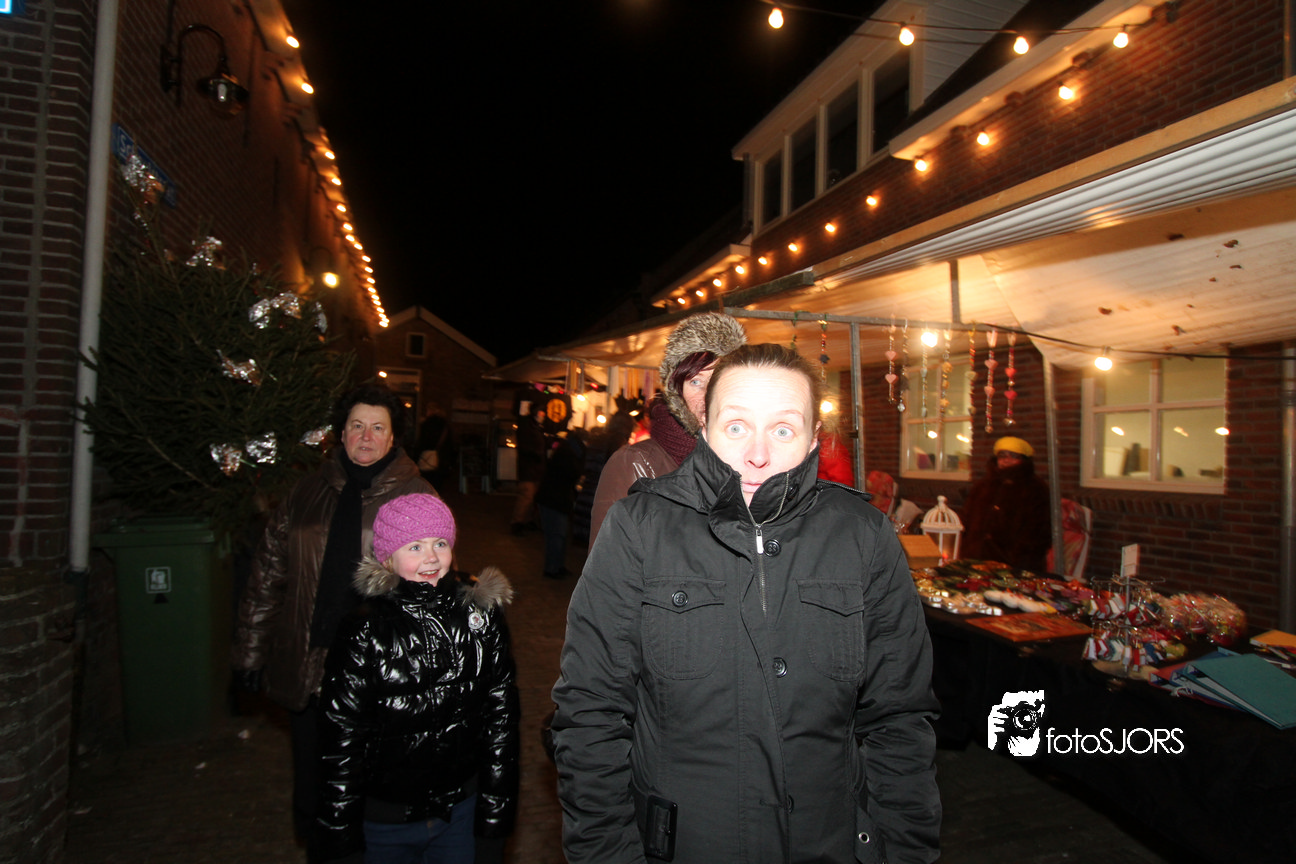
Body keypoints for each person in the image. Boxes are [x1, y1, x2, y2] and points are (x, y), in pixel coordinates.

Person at [552, 343, 942, 864]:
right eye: (736, 426)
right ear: (705, 428)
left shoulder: (864, 536)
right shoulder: (639, 528)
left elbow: (899, 717)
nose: (758, 454)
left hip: (829, 844)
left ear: (813, 439)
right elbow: (589, 711)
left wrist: (905, 850)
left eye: (783, 429)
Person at [231, 383, 433, 845]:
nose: (366, 436)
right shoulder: (306, 492)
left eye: (377, 427)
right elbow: (268, 575)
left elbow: (434, 591)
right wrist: (249, 652)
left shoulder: (417, 496)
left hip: (375, 674)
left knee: (365, 789)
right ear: (341, 434)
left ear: (392, 437)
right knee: (312, 785)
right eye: (356, 425)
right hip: (308, 660)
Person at [312, 494, 519, 864]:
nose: (431, 557)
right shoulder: (365, 629)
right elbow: (340, 740)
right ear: (387, 559)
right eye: (415, 546)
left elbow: (501, 724)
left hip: (459, 814)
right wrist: (341, 840)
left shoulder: (480, 617)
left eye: (440, 543)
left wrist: (492, 826)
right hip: (383, 822)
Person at [587, 311, 746, 543]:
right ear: (676, 390)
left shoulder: (753, 461)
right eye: (695, 381)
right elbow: (607, 560)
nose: (707, 395)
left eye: (718, 381)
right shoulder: (636, 463)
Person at [959, 435, 1052, 573]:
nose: (1006, 460)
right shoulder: (983, 486)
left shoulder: (1035, 488)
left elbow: (1040, 530)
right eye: (1002, 456)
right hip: (977, 559)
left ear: (1023, 460)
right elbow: (967, 517)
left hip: (1016, 564)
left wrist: (1018, 555)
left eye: (1013, 456)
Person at [536, 429, 586, 579]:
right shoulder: (568, 453)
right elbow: (573, 473)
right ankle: (552, 569)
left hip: (553, 499)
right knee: (556, 535)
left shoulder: (566, 449)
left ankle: (557, 566)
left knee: (558, 535)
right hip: (554, 500)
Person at [510, 403, 546, 535]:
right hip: (528, 469)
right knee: (526, 496)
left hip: (536, 469)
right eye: (541, 412)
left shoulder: (537, 428)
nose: (543, 415)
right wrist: (537, 454)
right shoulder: (527, 428)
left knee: (533, 497)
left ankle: (528, 520)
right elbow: (526, 448)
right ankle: (517, 523)